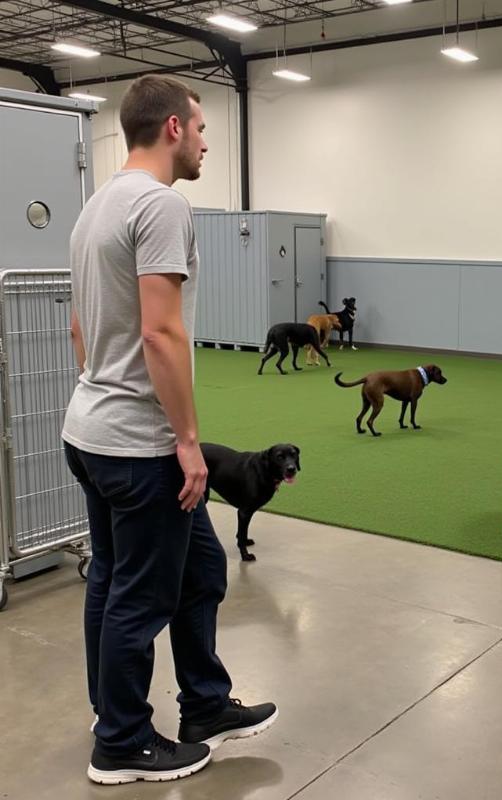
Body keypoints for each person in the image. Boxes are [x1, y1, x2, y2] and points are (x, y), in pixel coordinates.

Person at [62, 75, 278, 786]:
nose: (208, 142)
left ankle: (201, 706)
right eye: (203, 128)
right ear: (174, 129)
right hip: (136, 445)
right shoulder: (160, 205)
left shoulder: (95, 207)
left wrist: (105, 389)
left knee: (186, 572)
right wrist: (185, 441)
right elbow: (160, 332)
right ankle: (122, 742)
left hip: (90, 430)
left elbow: (79, 328)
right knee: (140, 594)